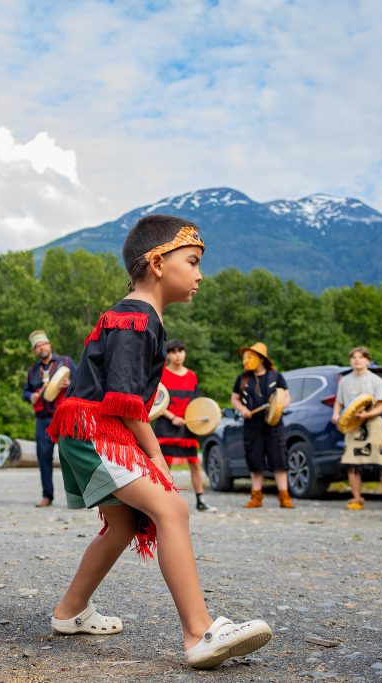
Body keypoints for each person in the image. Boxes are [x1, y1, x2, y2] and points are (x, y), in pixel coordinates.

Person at [47, 215, 271, 670]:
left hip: (89, 429)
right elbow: (126, 403)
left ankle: (69, 612)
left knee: (124, 525)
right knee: (172, 508)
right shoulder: (135, 318)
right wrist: (155, 456)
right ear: (156, 263)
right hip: (94, 432)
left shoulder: (141, 317)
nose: (200, 274)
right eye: (192, 261)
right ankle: (198, 632)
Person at [330, 347, 382, 510]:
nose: (357, 360)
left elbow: (380, 407)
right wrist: (336, 415)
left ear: (367, 361)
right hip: (352, 424)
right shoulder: (344, 381)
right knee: (352, 462)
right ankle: (357, 498)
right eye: (354, 357)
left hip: (373, 424)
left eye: (361, 357)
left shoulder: (376, 380)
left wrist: (366, 415)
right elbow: (339, 402)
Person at [153, 340, 214, 512]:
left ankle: (200, 501)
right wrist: (172, 417)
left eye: (180, 351)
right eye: (173, 352)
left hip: (187, 426)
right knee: (166, 463)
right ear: (168, 355)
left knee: (194, 463)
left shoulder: (192, 376)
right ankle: (162, 502)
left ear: (185, 353)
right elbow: (154, 401)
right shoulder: (161, 375)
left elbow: (196, 403)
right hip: (166, 425)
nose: (177, 355)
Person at [231, 342, 294, 509]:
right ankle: (256, 497)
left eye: (250, 357)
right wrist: (243, 409)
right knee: (255, 460)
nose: (246, 360)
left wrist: (280, 405)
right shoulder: (243, 379)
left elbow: (286, 396)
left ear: (261, 359)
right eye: (245, 357)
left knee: (279, 460)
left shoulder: (275, 376)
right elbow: (234, 398)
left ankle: (284, 496)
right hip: (252, 425)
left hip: (274, 424)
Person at [23, 330, 76, 507]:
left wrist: (70, 384)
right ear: (34, 351)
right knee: (43, 456)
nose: (41, 348)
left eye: (43, 344)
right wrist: (30, 396)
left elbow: (82, 382)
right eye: (37, 346)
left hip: (64, 415)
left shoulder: (66, 362)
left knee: (72, 456)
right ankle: (47, 495)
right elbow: (26, 391)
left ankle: (80, 495)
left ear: (50, 345)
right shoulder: (32, 370)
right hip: (43, 419)